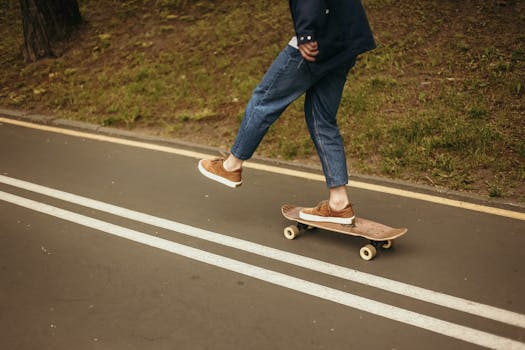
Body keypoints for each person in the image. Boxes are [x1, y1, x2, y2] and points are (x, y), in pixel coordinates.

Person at [198, 0, 375, 225]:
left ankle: (231, 166)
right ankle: (339, 203)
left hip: (318, 40)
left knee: (265, 100)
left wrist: (306, 35)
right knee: (322, 120)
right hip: (346, 39)